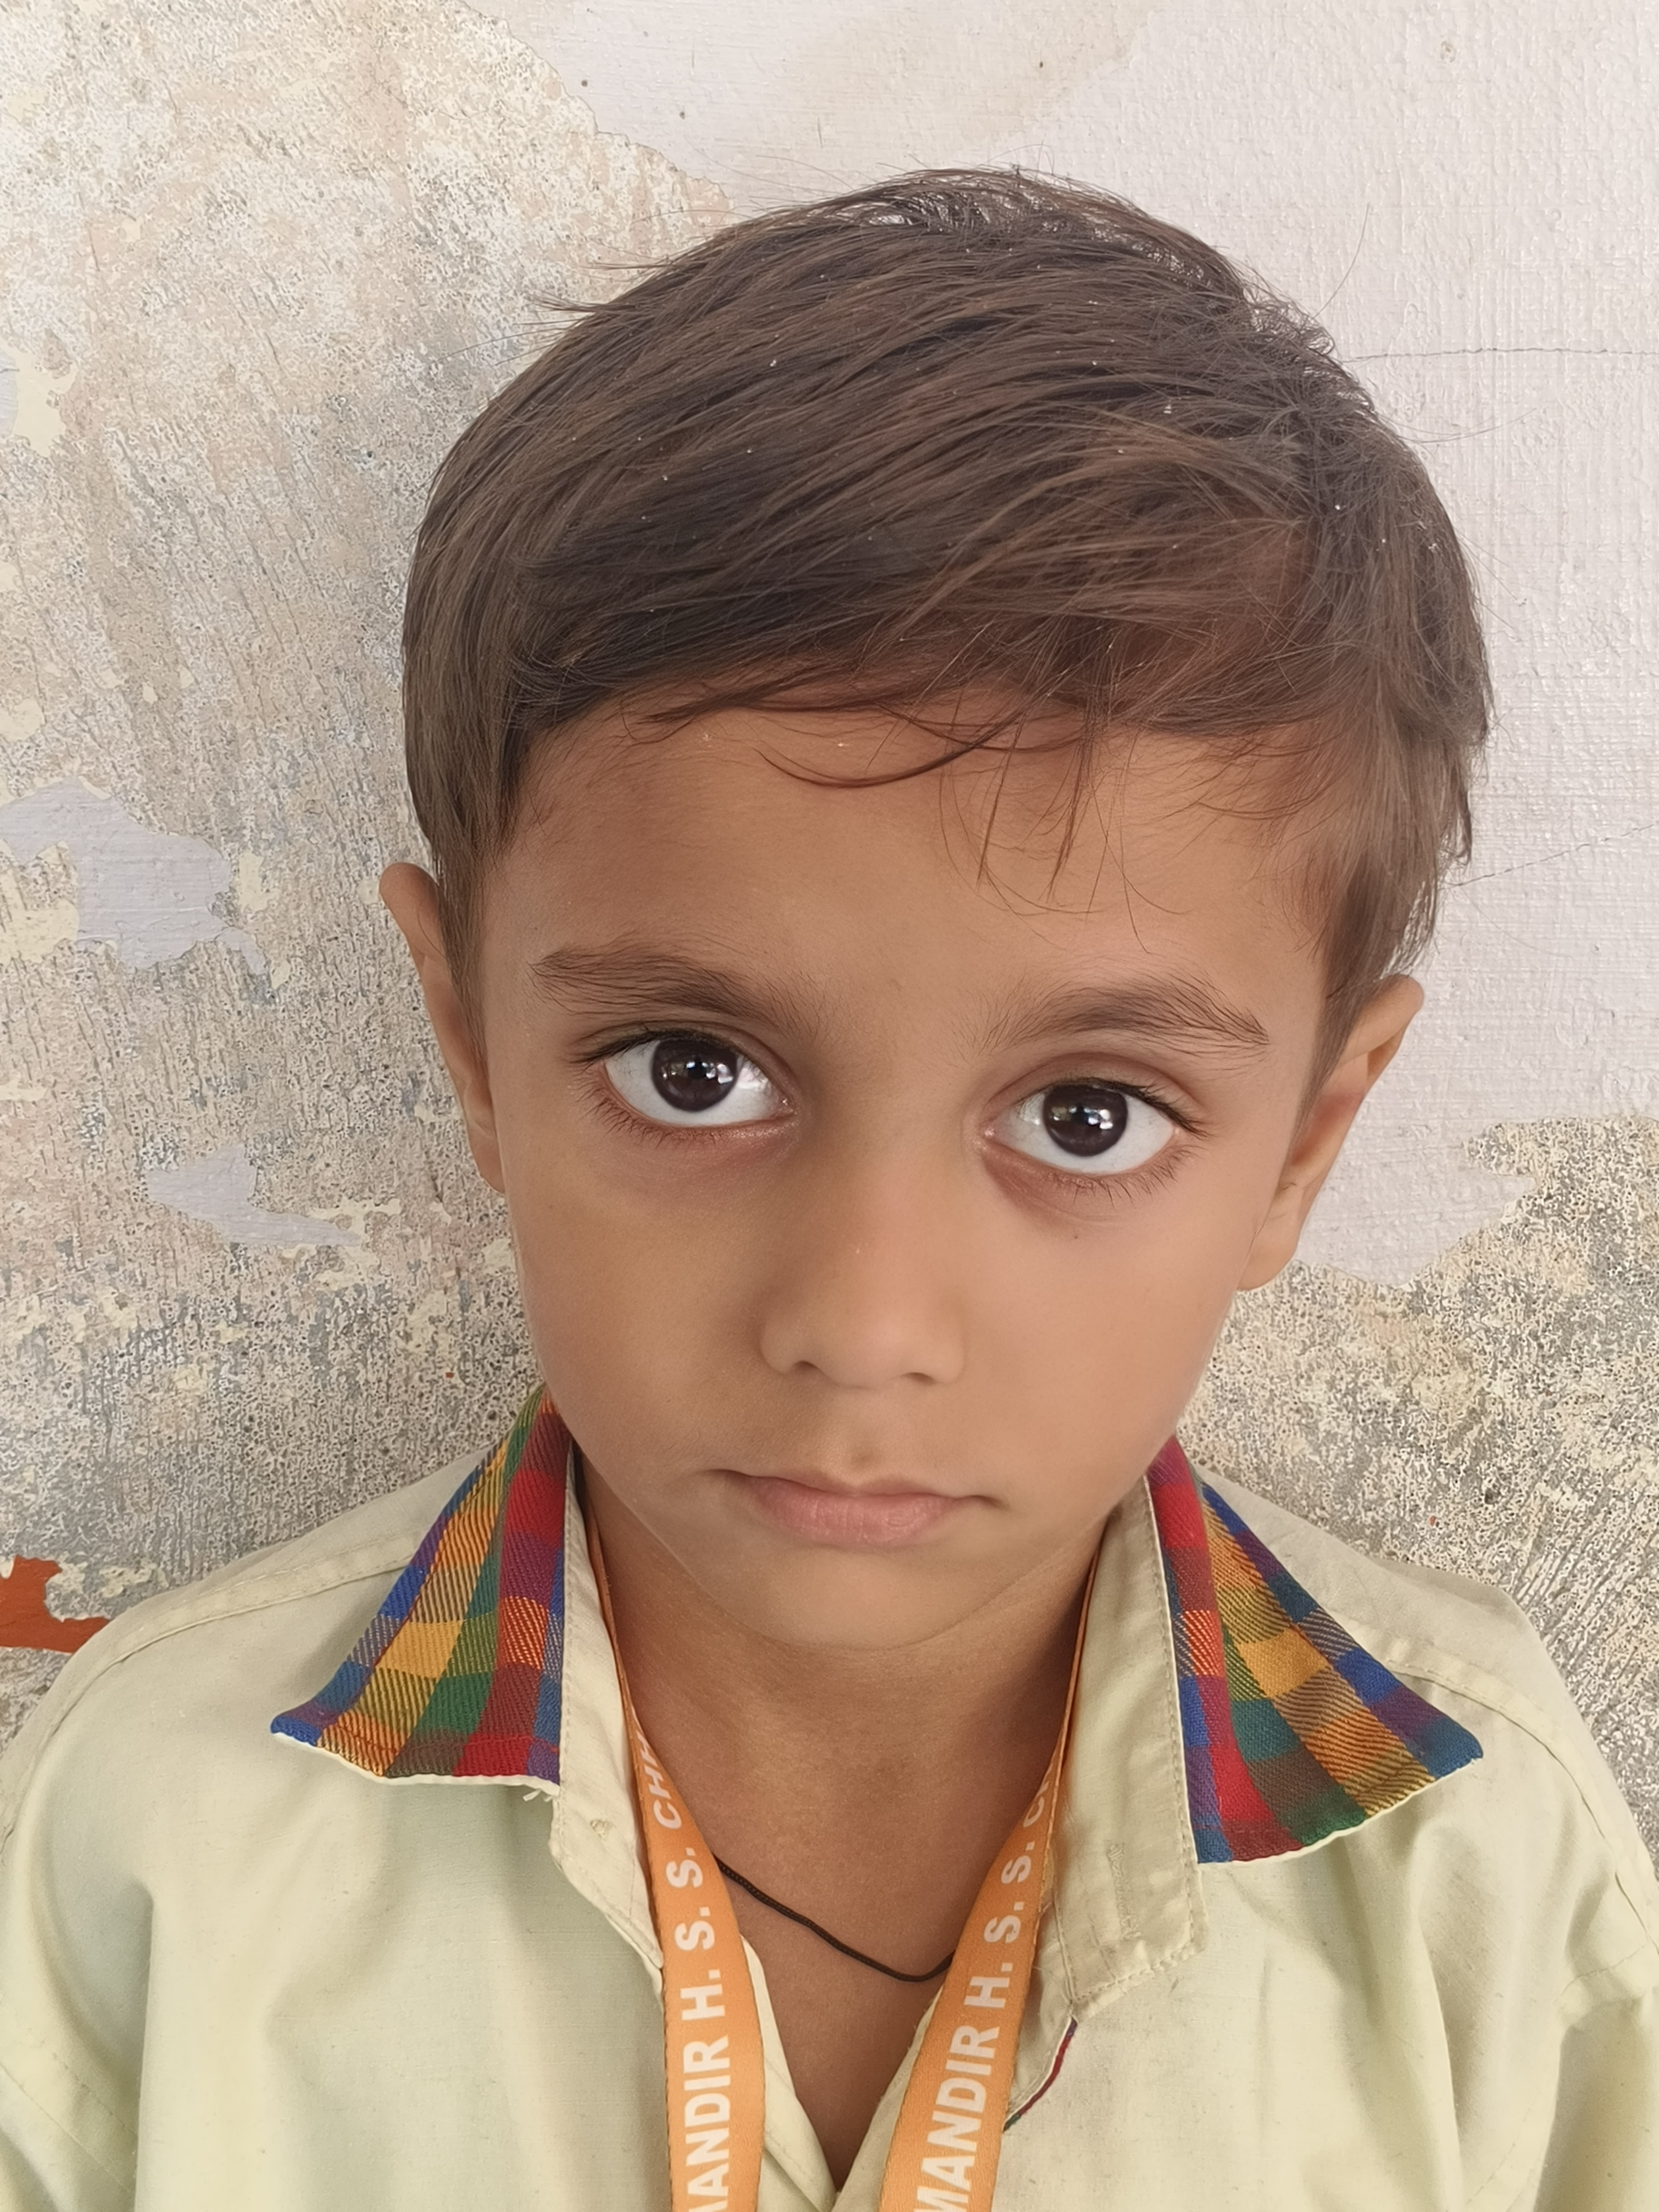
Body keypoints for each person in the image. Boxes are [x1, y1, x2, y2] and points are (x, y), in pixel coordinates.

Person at [0, 168, 1654, 2212]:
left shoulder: (1473, 1866)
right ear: (469, 1042)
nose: (863, 1326)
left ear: (1305, 1144)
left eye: (1088, 1116)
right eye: (692, 1073)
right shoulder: (157, 1839)